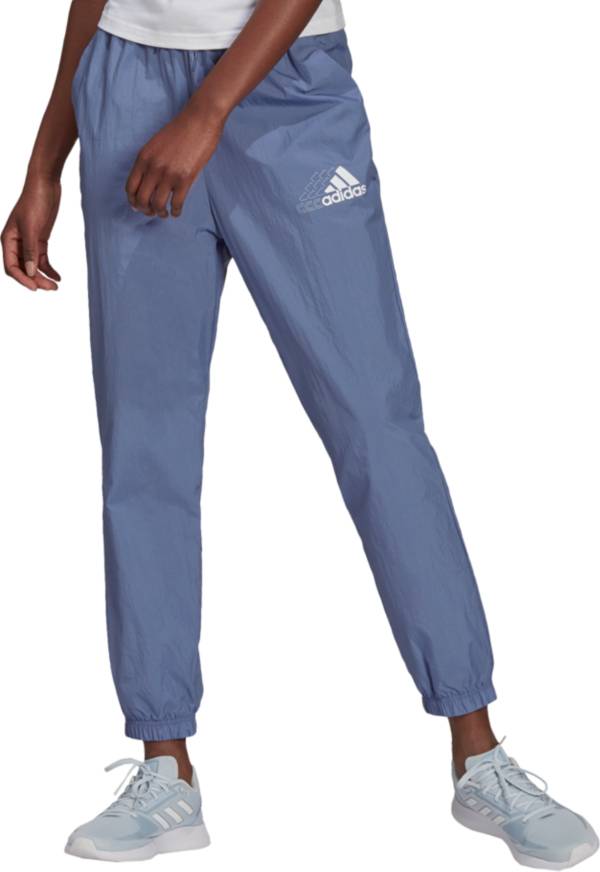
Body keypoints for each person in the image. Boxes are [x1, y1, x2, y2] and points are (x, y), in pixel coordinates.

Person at [2, 0, 597, 866]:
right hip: (125, 86)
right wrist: (45, 162)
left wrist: (207, 111)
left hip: (285, 89)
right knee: (144, 446)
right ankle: (165, 765)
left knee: (377, 426)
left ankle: (480, 754)